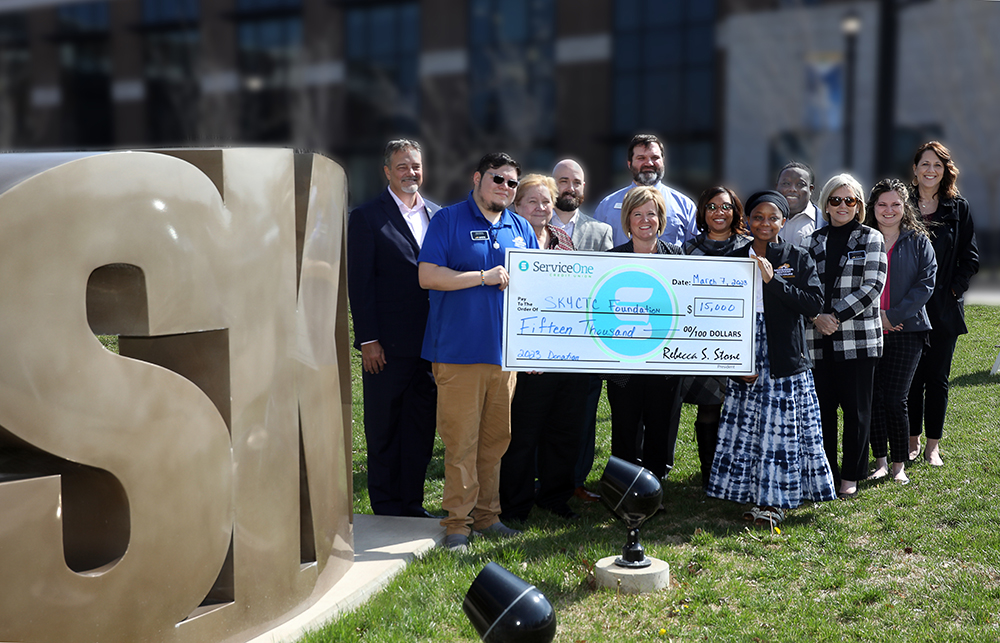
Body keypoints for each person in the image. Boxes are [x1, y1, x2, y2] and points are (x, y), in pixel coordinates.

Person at [418, 152, 538, 552]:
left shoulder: (520, 227)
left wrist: (533, 348)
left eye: (511, 183)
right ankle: (457, 525)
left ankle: (488, 516)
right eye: (497, 179)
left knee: (495, 442)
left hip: (504, 357)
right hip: (458, 354)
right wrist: (483, 278)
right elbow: (428, 275)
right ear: (477, 178)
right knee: (461, 443)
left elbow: (536, 292)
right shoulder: (447, 220)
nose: (504, 187)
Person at [708, 191, 836, 525]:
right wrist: (733, 363)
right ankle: (748, 493)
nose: (765, 224)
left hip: (784, 356)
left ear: (783, 221)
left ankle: (775, 500)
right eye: (758, 217)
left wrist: (772, 280)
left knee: (779, 428)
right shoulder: (733, 257)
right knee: (748, 425)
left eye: (772, 217)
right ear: (748, 221)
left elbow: (811, 304)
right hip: (745, 349)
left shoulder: (797, 256)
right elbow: (719, 312)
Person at [346, 139, 439, 517]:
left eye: (415, 165)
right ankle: (385, 504)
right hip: (385, 346)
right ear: (387, 171)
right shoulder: (367, 217)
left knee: (419, 425)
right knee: (384, 427)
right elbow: (360, 283)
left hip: (431, 345)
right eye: (402, 166)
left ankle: (412, 503)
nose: (410, 173)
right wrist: (369, 340)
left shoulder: (438, 215)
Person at [499, 174, 589, 521]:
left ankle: (555, 495)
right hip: (524, 358)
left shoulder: (563, 239)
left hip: (564, 353)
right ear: (517, 206)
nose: (541, 208)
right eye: (532, 202)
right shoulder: (508, 241)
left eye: (546, 201)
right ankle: (516, 503)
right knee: (523, 434)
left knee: (564, 429)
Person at [807, 174, 887, 499]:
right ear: (826, 204)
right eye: (836, 200)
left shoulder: (871, 238)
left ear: (859, 206)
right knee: (823, 411)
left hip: (857, 339)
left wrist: (834, 316)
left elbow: (872, 288)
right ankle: (828, 474)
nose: (842, 206)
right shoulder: (813, 241)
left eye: (850, 200)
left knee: (856, 412)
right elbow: (804, 285)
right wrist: (817, 317)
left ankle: (850, 478)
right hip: (817, 339)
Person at [906, 141, 979, 466]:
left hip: (943, 308)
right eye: (925, 164)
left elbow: (970, 258)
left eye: (937, 165)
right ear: (915, 169)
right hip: (905, 306)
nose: (930, 170)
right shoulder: (900, 204)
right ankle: (912, 441)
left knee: (936, 378)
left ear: (945, 169)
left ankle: (933, 445)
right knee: (910, 378)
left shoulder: (958, 208)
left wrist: (953, 291)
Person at [605, 186, 682, 481]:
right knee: (625, 424)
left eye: (651, 213)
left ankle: (654, 485)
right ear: (627, 221)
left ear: (661, 219)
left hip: (665, 362)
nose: (645, 220)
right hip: (623, 360)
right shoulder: (612, 260)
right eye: (637, 214)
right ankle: (624, 486)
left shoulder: (678, 257)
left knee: (661, 424)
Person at [864, 179, 936, 485]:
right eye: (882, 204)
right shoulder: (862, 238)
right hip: (866, 328)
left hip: (908, 330)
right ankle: (879, 461)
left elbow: (926, 284)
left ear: (905, 207)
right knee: (872, 398)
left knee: (895, 398)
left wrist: (892, 316)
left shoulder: (919, 240)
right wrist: (875, 317)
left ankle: (898, 465)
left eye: (895, 204)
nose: (888, 210)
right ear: (873, 207)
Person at [549, 158, 613, 503]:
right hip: (541, 338)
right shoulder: (531, 225)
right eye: (563, 180)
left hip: (585, 341)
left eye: (576, 182)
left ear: (584, 189)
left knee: (584, 414)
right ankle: (538, 478)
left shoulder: (600, 231)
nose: (570, 187)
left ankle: (575, 480)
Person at [680, 187, 750, 489]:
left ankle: (738, 470)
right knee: (709, 407)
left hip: (742, 339)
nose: (718, 212)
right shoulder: (687, 249)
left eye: (725, 207)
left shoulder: (751, 246)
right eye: (711, 206)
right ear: (702, 212)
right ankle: (709, 472)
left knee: (741, 407)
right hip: (700, 339)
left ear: (735, 211)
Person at [593, 134, 698, 248]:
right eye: (641, 158)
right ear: (629, 164)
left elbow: (695, 251)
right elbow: (596, 249)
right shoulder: (607, 206)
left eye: (655, 158)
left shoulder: (685, 206)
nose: (649, 163)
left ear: (663, 161)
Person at [775, 161, 826, 247]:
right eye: (786, 184)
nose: (792, 189)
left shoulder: (825, 222)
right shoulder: (760, 221)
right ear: (777, 187)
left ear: (811, 189)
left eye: (800, 184)